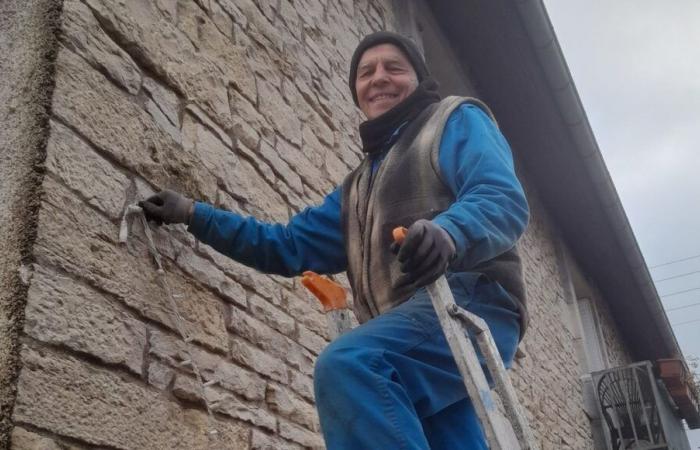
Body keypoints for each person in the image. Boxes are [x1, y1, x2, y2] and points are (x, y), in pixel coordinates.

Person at [141, 31, 530, 450]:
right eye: (365, 73)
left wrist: (449, 232)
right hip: (412, 335)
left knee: (353, 365)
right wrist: (195, 215)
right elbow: (285, 245)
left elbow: (501, 196)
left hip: (468, 303)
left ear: (419, 80)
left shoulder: (453, 120)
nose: (378, 77)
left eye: (394, 68)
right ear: (356, 93)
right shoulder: (356, 191)